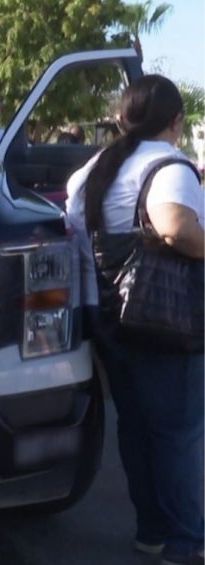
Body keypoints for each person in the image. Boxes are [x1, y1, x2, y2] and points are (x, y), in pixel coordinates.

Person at [65, 74, 204, 565]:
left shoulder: (89, 173)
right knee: (178, 433)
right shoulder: (170, 167)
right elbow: (176, 227)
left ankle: (152, 530)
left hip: (107, 320)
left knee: (138, 427)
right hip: (164, 321)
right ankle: (186, 541)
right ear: (175, 122)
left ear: (124, 118)